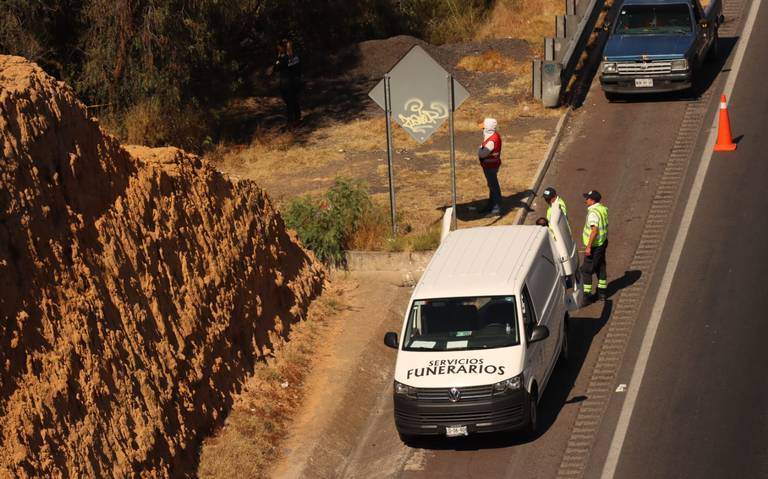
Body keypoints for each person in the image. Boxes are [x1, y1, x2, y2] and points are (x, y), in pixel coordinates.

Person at [581, 190, 609, 301]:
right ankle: (602, 293)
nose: (585, 200)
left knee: (586, 270)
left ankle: (586, 295)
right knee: (600, 266)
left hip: (594, 246)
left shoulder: (593, 213)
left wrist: (588, 247)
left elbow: (594, 230)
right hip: (602, 243)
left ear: (592, 201)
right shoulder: (602, 209)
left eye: (587, 198)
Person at [271, 38, 302, 127]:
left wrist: (278, 57)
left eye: (279, 47)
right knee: (294, 100)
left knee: (289, 103)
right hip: (296, 82)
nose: (278, 49)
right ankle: (297, 118)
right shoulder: (296, 56)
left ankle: (291, 122)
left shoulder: (283, 59)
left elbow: (276, 68)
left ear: (282, 48)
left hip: (287, 84)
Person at [478, 118, 502, 215]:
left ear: (488, 128)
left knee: (493, 186)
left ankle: (496, 208)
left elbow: (482, 154)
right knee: (492, 185)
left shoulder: (491, 141)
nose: (482, 129)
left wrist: (480, 148)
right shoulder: (494, 136)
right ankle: (491, 205)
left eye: (483, 127)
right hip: (492, 164)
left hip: (490, 166)